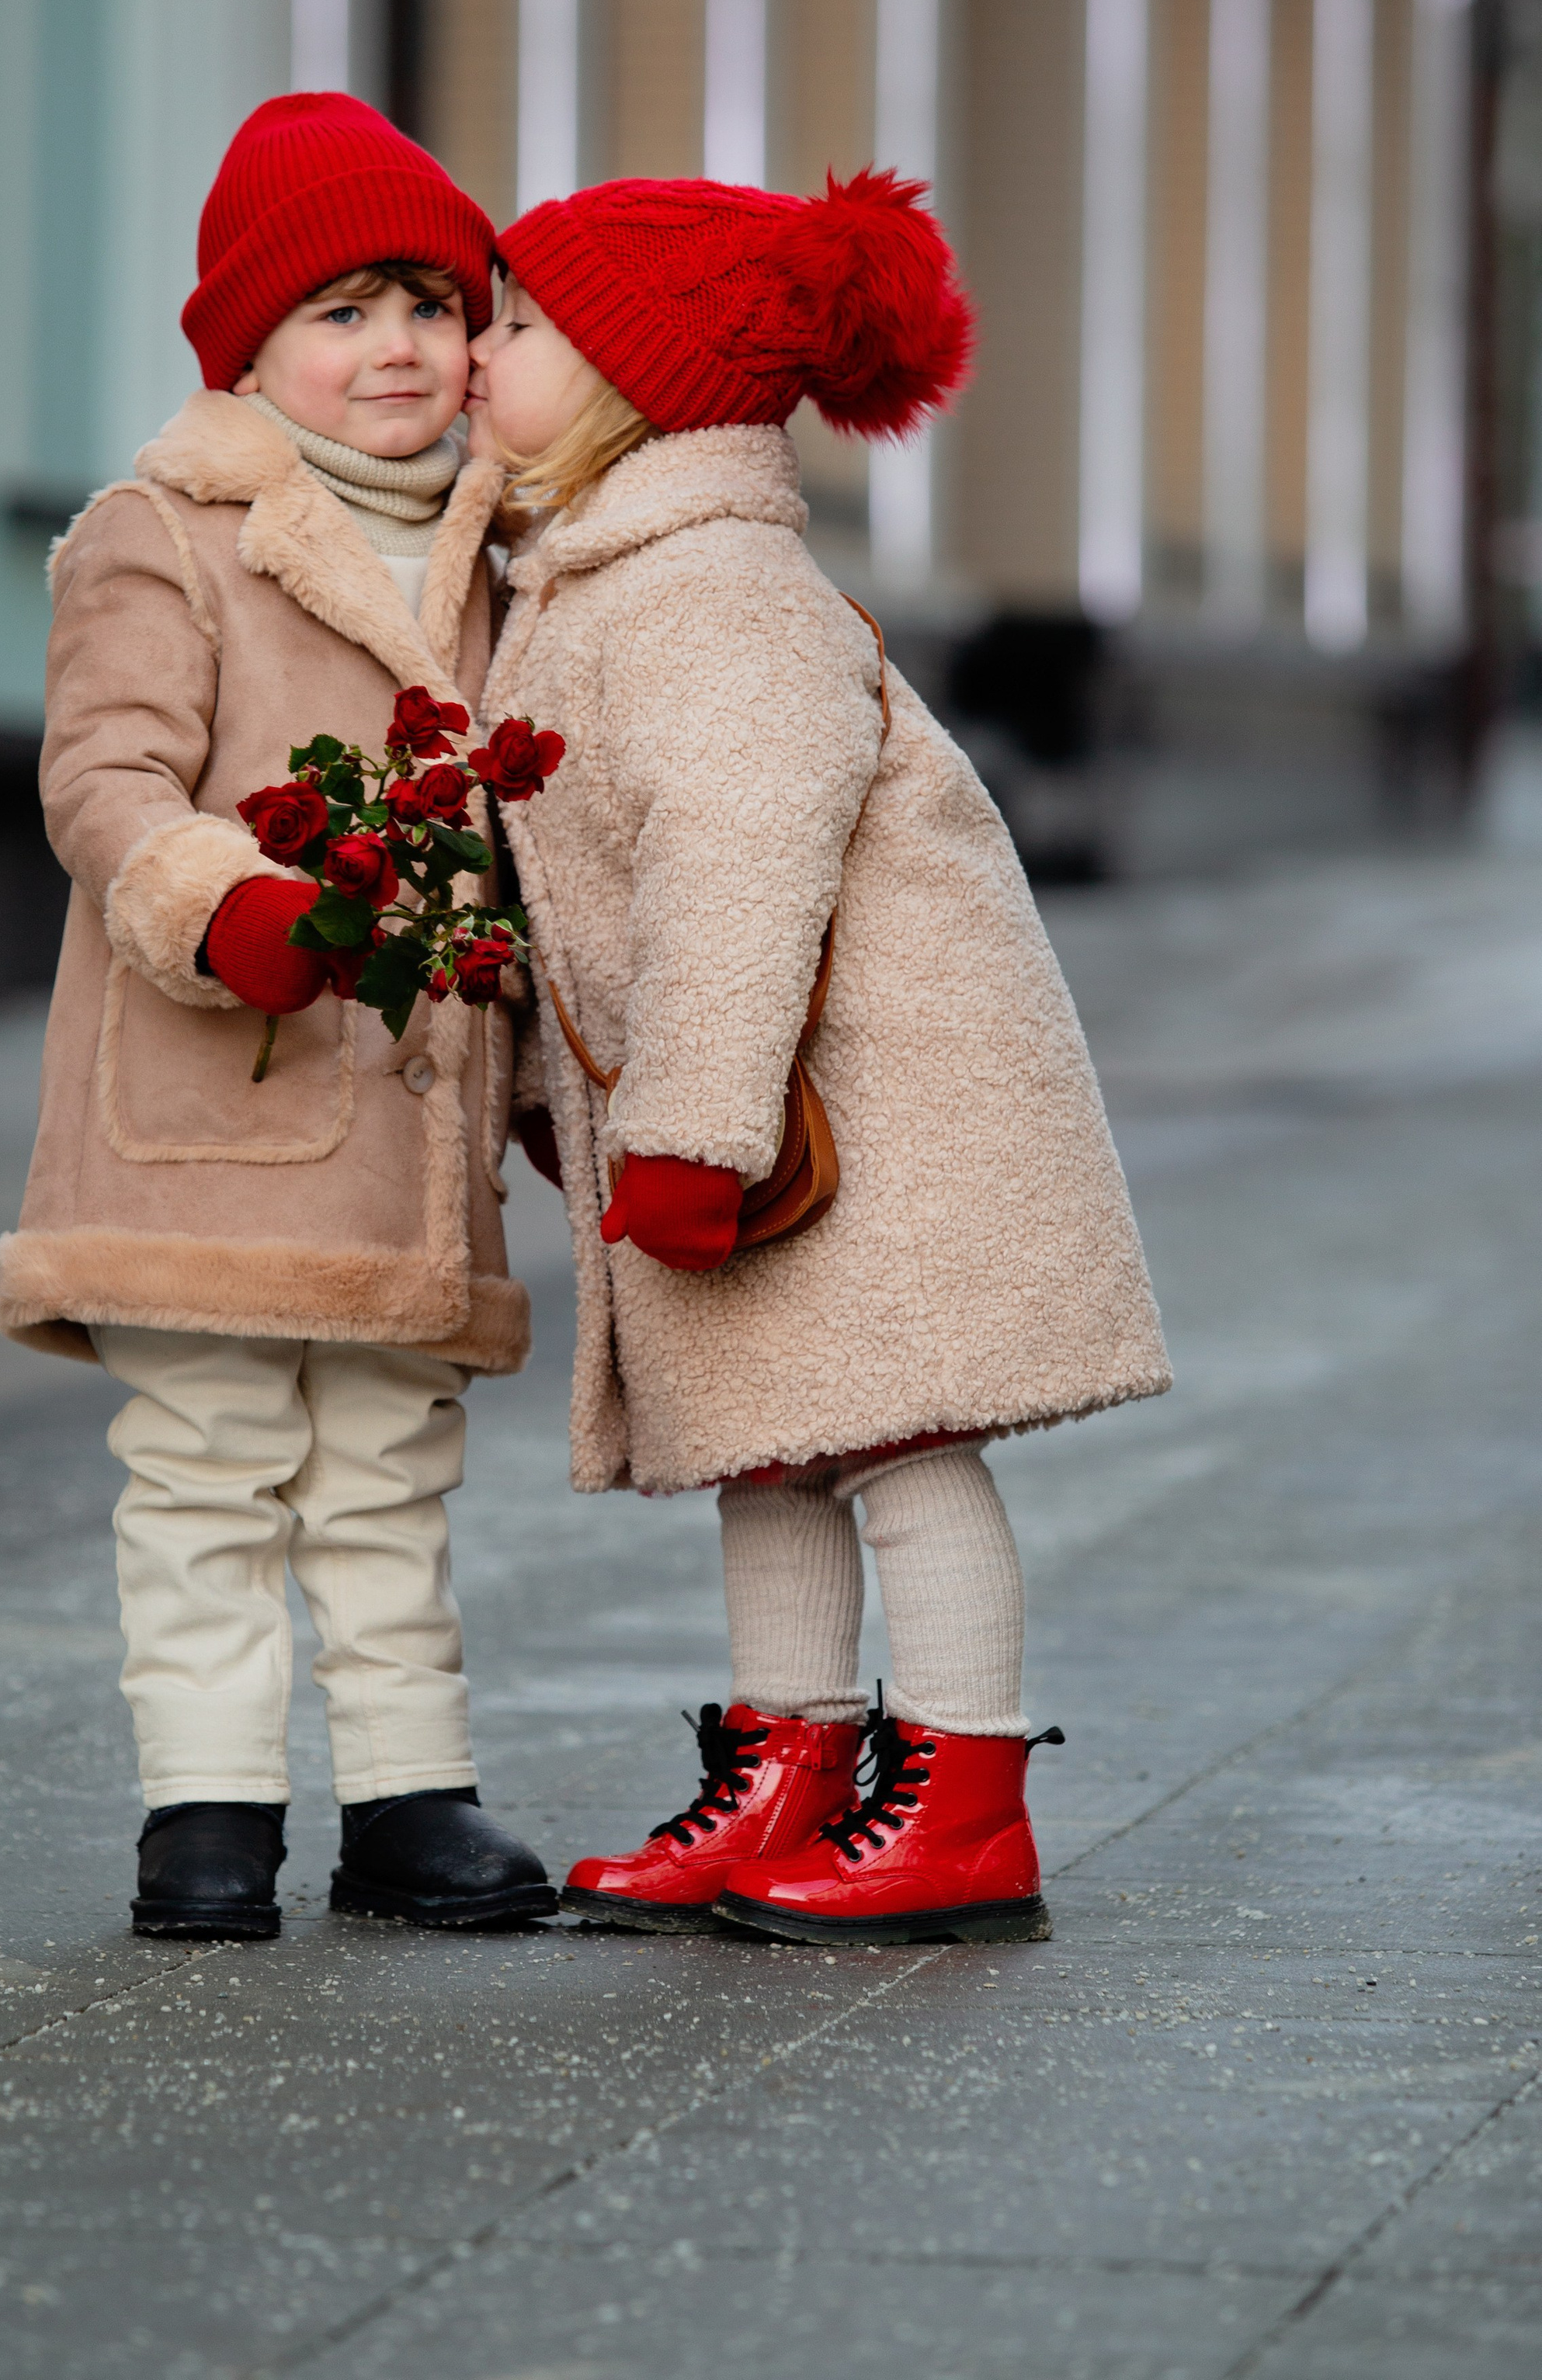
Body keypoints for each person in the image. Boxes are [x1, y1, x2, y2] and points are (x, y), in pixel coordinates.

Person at [466, 171, 1172, 1947]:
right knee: (774, 1444)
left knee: (902, 1450)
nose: (477, 352)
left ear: (640, 377)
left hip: (867, 1110)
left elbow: (736, 863)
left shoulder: (712, 591)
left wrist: (688, 1129)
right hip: (770, 1117)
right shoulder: (598, 581)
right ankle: (793, 1767)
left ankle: (962, 1800)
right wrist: (577, 1112)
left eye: (521, 325)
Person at [0, 92, 555, 1941]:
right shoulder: (167, 533)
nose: (393, 345)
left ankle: (408, 1797)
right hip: (214, 1103)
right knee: (210, 1466)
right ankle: (208, 1813)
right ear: (248, 347)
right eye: (338, 310)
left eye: (426, 302)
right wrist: (219, 898)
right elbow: (104, 779)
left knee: (390, 1472)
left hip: (404, 1125)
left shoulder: (506, 550)